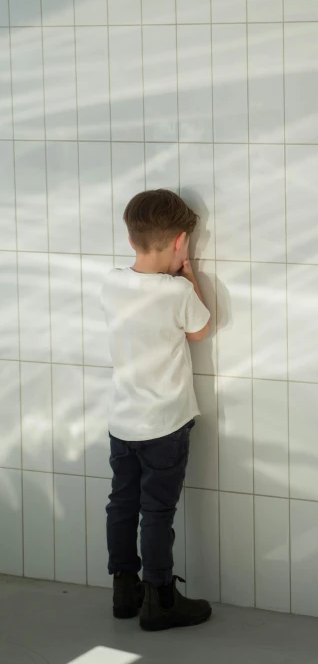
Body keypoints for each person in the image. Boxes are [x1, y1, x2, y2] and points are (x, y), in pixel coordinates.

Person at [101, 188, 212, 632]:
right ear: (181, 242)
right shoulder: (175, 293)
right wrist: (189, 278)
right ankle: (160, 599)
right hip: (165, 425)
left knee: (122, 505)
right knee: (157, 512)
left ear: (131, 239)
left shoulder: (110, 281)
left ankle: (124, 591)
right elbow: (201, 331)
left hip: (122, 421)